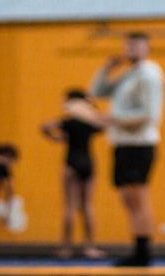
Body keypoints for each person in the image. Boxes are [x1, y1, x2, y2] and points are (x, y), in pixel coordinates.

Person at [90, 32, 165, 267]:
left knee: (137, 198)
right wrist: (107, 68)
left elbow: (148, 115)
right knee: (128, 199)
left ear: (147, 48)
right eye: (128, 45)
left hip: (138, 144)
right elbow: (97, 91)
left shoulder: (149, 74)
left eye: (136, 45)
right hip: (123, 144)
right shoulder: (128, 73)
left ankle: (143, 252)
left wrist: (112, 119)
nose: (131, 49)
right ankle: (138, 247)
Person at [41, 89, 107, 259]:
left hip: (71, 162)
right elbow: (104, 126)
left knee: (70, 206)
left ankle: (66, 248)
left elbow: (45, 127)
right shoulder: (89, 122)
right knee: (88, 206)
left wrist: (56, 138)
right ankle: (90, 247)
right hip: (88, 161)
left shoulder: (68, 121)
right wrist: (92, 107)